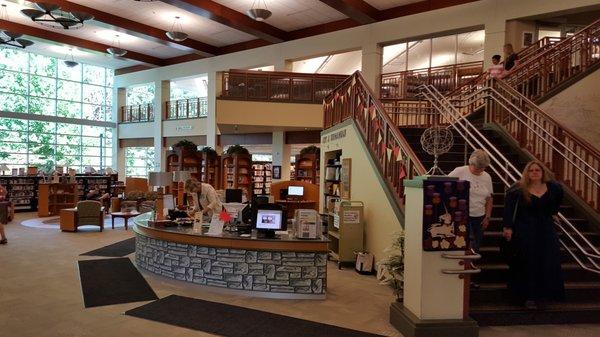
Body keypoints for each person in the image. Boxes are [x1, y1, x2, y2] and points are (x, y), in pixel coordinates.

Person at [502, 161, 565, 309]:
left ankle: (543, 296)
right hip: (524, 230)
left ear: (543, 172)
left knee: (547, 261)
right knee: (526, 262)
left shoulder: (553, 188)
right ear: (527, 173)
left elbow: (556, 203)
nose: (535, 173)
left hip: (546, 229)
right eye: (531, 170)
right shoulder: (517, 189)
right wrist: (508, 227)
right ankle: (527, 296)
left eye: (538, 170)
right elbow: (509, 209)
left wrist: (554, 213)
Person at [448, 149, 494, 254]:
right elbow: (446, 186)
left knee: (476, 245)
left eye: (482, 168)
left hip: (480, 216)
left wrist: (487, 216)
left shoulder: (487, 177)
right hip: (463, 215)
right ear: (471, 163)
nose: (480, 170)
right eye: (477, 167)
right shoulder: (459, 171)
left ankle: (472, 264)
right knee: (465, 243)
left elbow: (489, 198)